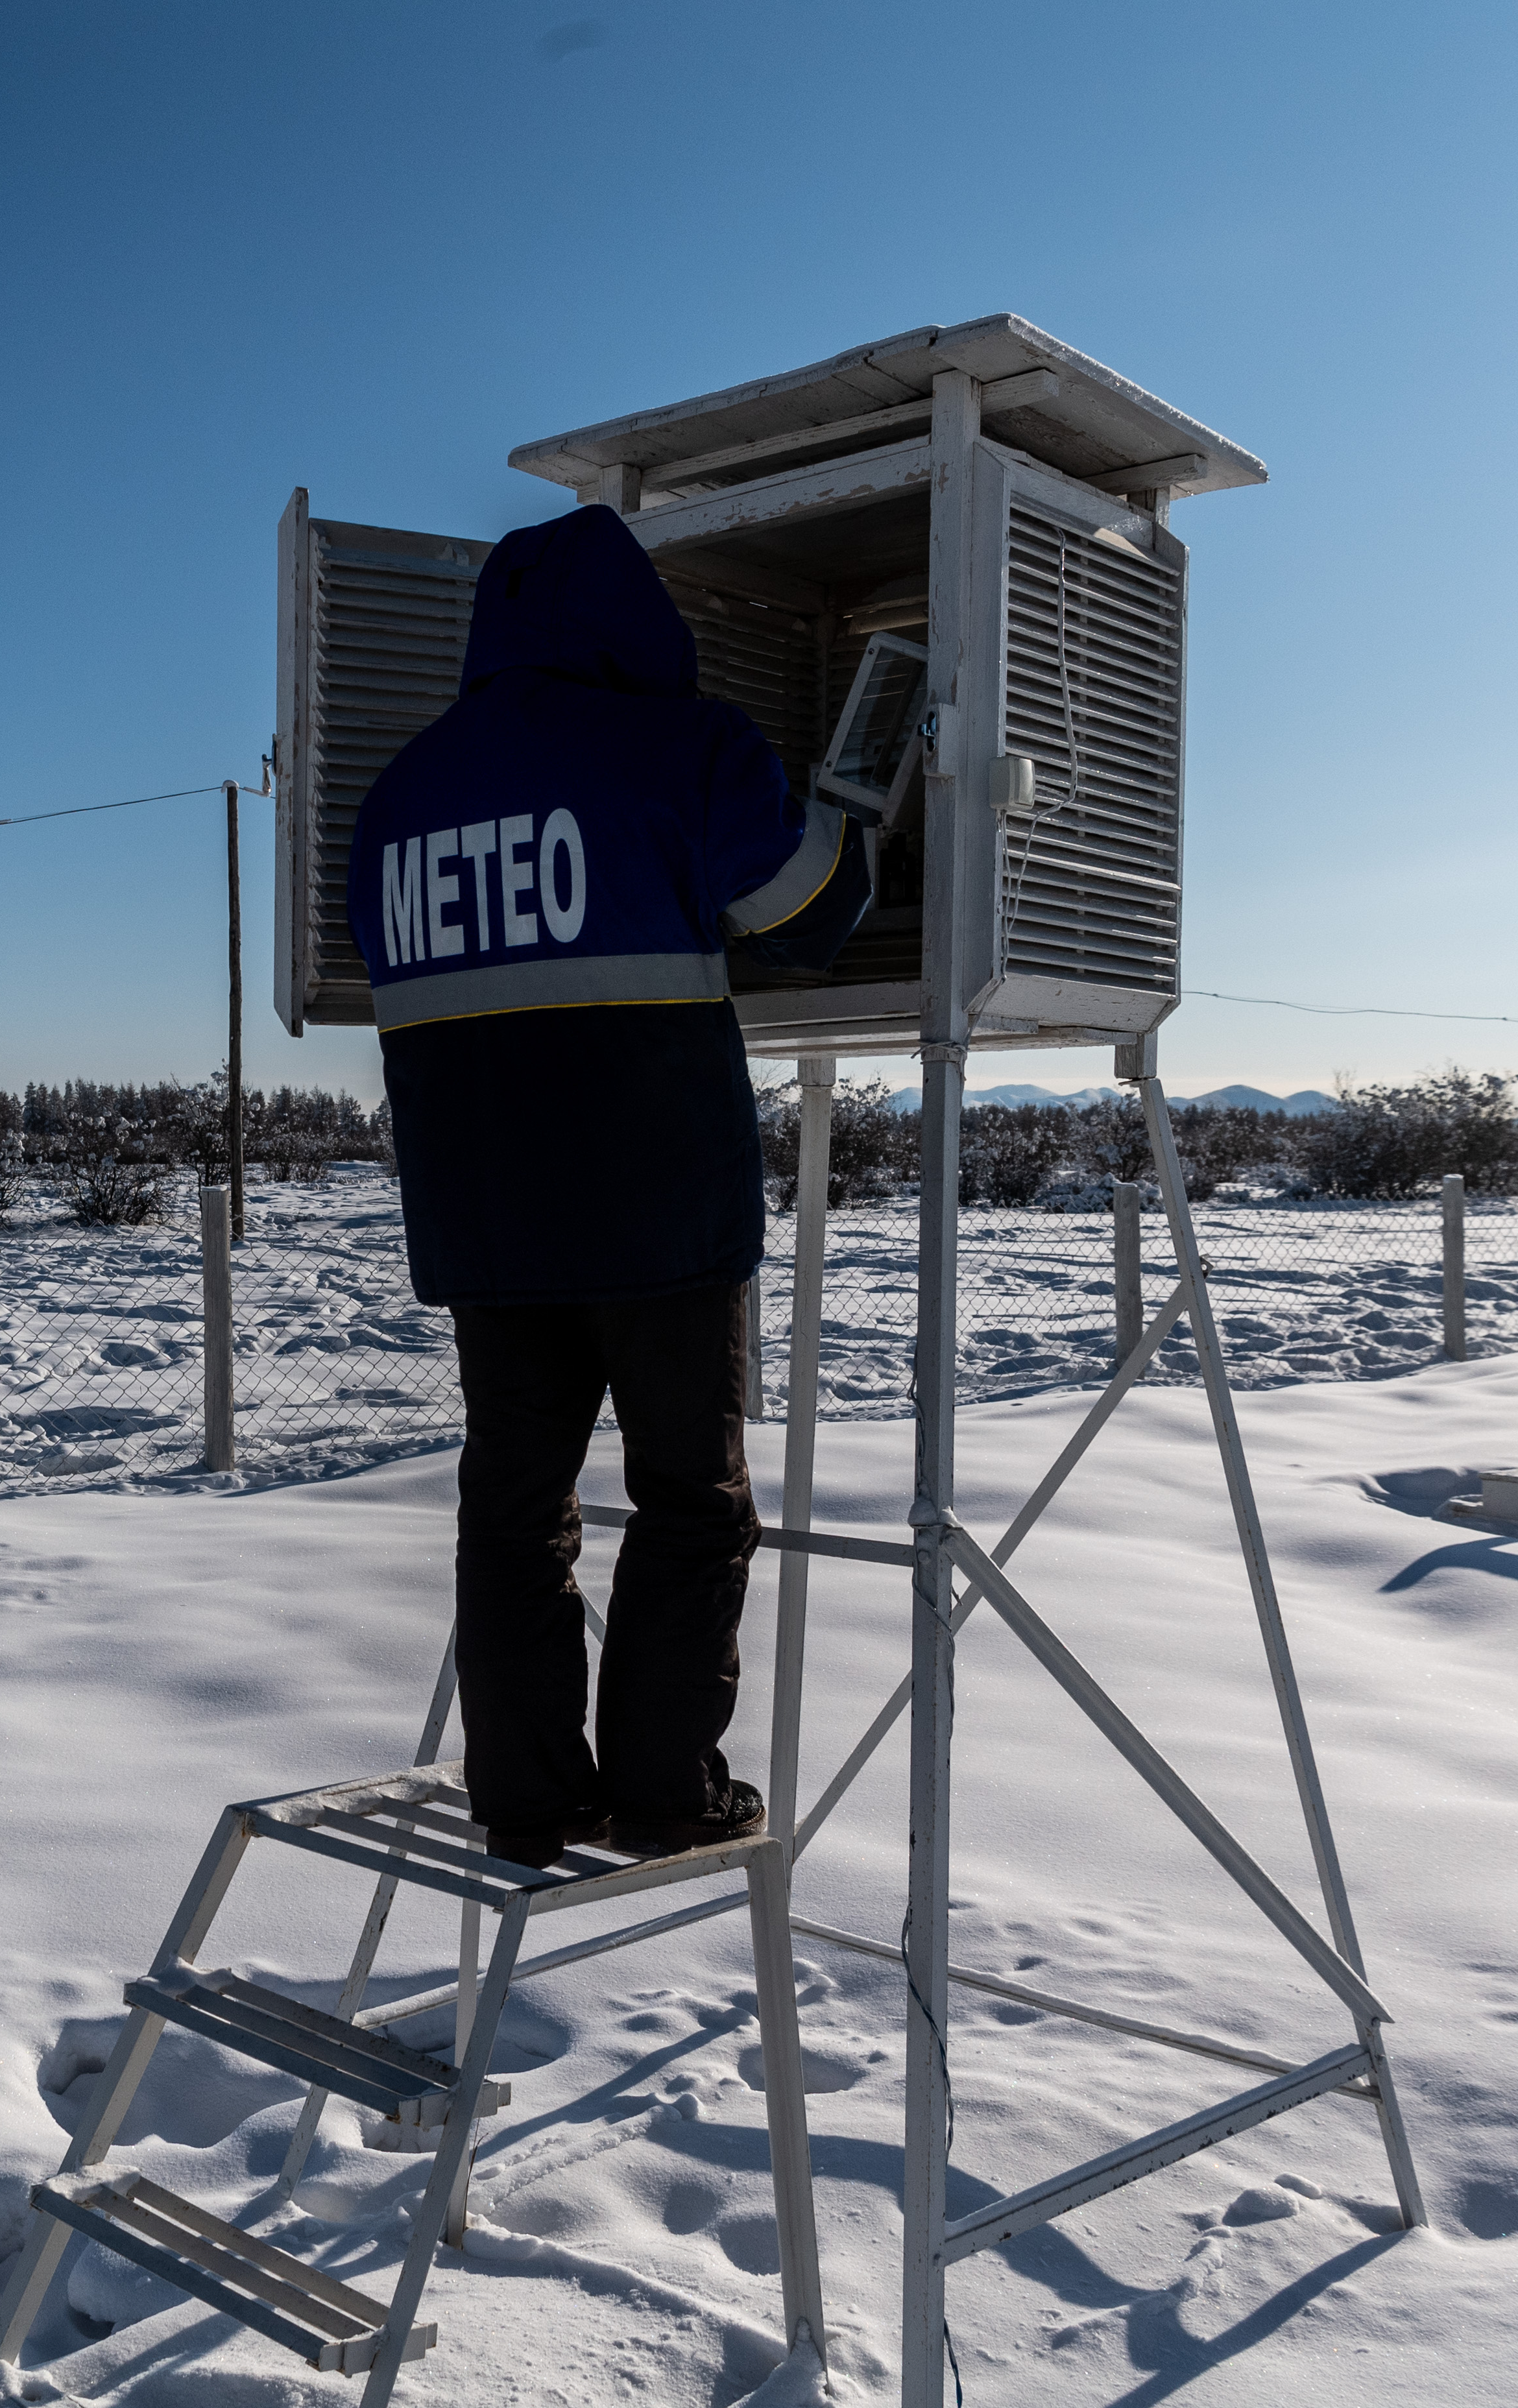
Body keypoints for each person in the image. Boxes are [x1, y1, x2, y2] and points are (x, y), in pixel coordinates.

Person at [348, 502, 875, 1868]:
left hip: (485, 1226)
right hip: (660, 1218)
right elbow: (814, 919)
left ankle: (525, 1796)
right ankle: (664, 1790)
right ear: (642, 623)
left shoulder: (399, 793)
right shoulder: (683, 749)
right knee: (692, 1503)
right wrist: (858, 810)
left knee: (515, 1509)